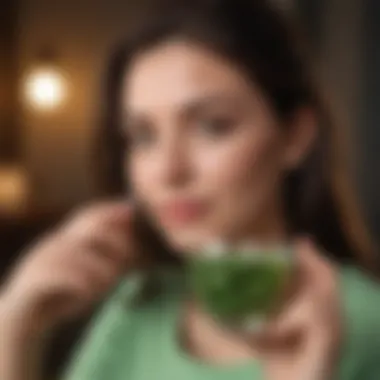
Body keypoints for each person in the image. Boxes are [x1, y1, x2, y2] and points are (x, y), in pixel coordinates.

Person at [1, 0, 380, 379]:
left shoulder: (366, 327)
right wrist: (12, 323)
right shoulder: (140, 299)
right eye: (143, 137)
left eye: (213, 126)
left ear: (295, 136)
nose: (169, 171)